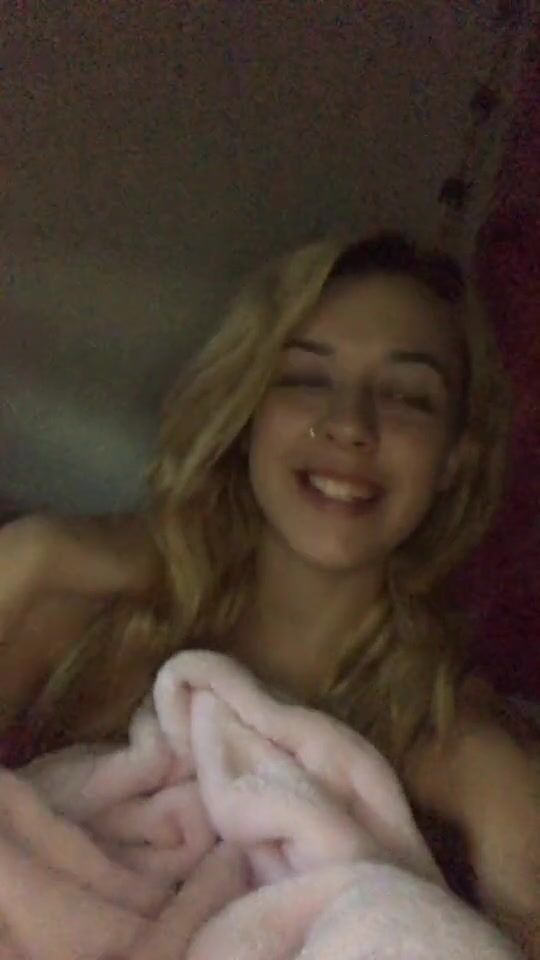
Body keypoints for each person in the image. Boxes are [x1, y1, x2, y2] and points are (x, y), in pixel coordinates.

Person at [0, 232, 538, 954]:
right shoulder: (85, 614)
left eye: (408, 397)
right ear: (246, 416)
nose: (350, 425)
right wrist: (31, 556)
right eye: (306, 378)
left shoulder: (456, 744)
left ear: (453, 460)